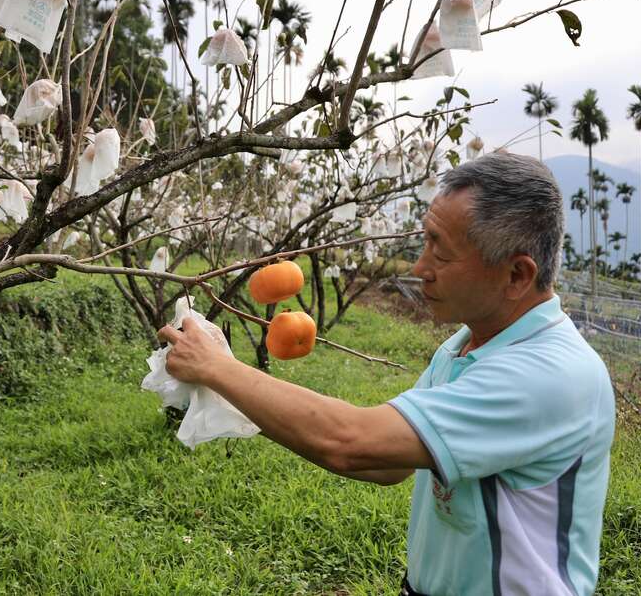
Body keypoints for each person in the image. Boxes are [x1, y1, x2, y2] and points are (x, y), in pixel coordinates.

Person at [157, 153, 615, 596]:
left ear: (516, 274)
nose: (420, 269)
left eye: (442, 252)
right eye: (426, 242)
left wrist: (218, 368)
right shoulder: (466, 346)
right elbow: (389, 462)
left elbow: (351, 442)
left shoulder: (548, 376)